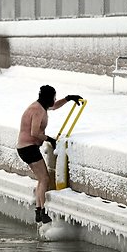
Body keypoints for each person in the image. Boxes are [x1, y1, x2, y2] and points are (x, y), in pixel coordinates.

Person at [16, 85, 82, 223]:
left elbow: (55, 106)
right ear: (48, 98)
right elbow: (34, 133)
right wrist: (50, 139)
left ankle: (39, 211)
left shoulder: (41, 106)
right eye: (54, 97)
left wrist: (69, 98)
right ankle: (41, 210)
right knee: (44, 179)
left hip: (27, 148)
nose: (55, 99)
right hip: (28, 148)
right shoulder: (37, 110)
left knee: (42, 179)